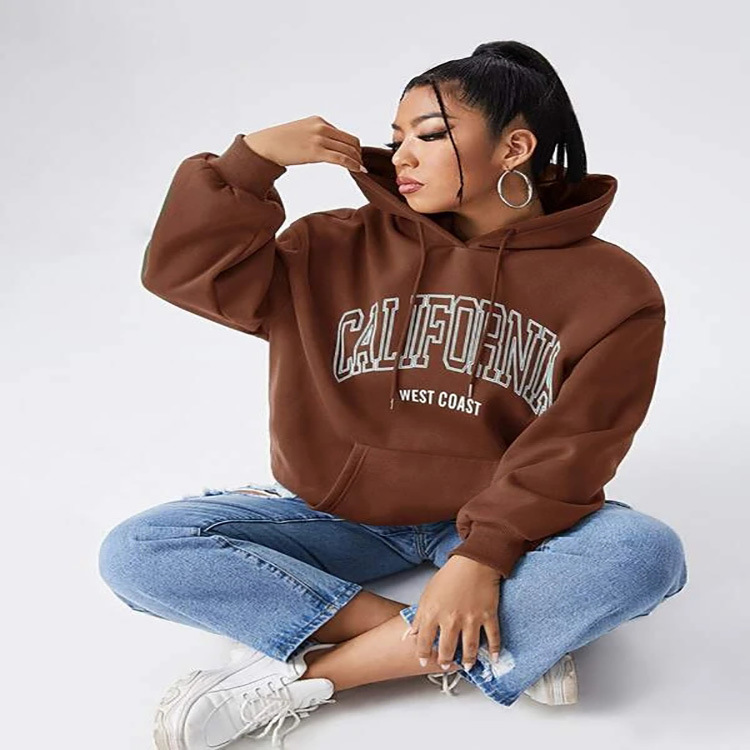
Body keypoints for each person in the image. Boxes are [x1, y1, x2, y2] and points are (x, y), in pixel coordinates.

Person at [98, 39, 688, 750]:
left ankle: (317, 678)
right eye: (397, 136)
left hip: (495, 522)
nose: (401, 156)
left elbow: (580, 443)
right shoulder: (329, 245)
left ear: (515, 148)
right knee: (140, 551)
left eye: (430, 135)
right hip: (335, 513)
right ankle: (495, 638)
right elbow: (185, 273)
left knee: (644, 554)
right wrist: (252, 161)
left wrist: (483, 558)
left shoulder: (615, 290)